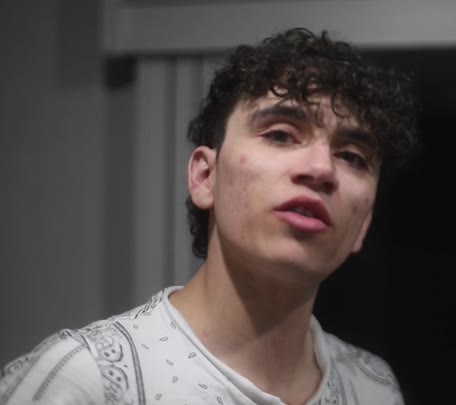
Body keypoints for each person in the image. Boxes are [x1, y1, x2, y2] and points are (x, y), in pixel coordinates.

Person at [0, 27, 419, 405]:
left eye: (352, 157)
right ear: (205, 177)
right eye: (280, 135)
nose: (321, 169)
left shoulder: (374, 388)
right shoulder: (87, 382)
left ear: (364, 223)